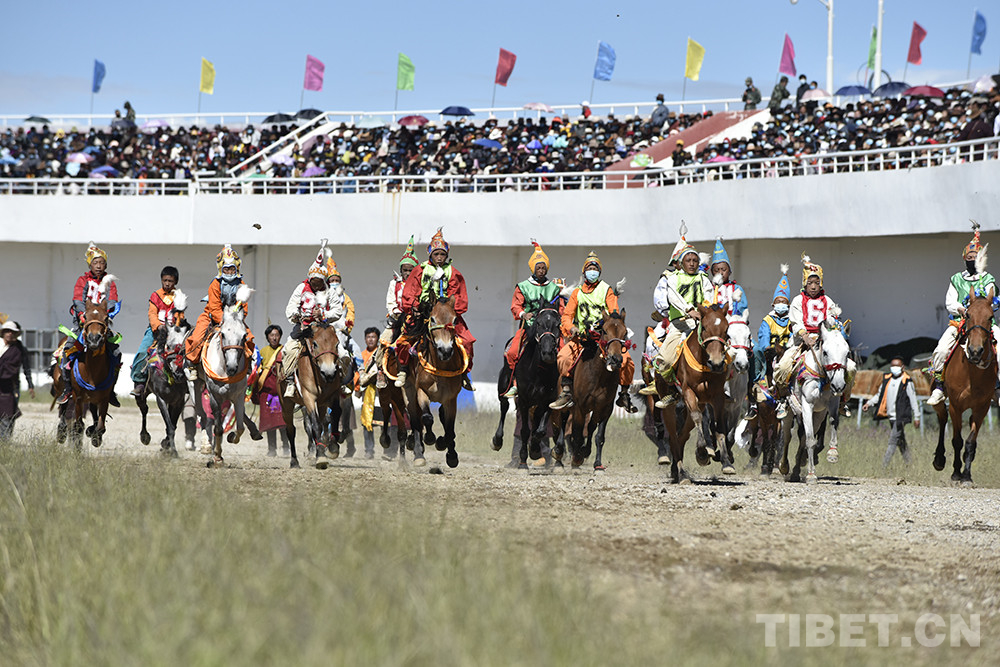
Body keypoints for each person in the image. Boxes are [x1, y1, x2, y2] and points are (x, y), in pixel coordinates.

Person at [549, 251, 636, 412]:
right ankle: (566, 391)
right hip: (582, 338)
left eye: (595, 269)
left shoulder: (606, 290)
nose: (592, 271)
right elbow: (567, 316)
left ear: (599, 272)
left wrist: (605, 324)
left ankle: (624, 394)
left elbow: (614, 313)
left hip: (604, 338)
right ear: (584, 272)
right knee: (563, 357)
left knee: (627, 361)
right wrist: (572, 328)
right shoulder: (577, 293)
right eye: (589, 268)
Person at [394, 228, 476, 391]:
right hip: (423, 312)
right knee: (403, 340)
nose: (439, 257)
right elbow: (410, 292)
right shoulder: (420, 270)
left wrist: (450, 309)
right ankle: (403, 370)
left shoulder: (454, 273)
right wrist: (415, 307)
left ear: (447, 255)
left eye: (442, 254)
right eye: (436, 254)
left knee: (467, 341)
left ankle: (464, 374)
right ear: (430, 254)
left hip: (447, 315)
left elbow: (460, 297)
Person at [927, 224, 997, 405]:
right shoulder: (956, 279)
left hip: (984, 323)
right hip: (960, 322)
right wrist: (962, 310)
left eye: (975, 257)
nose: (972, 260)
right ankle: (939, 386)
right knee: (941, 349)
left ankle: (997, 386)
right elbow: (950, 302)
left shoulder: (988, 279)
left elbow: (993, 301)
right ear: (964, 258)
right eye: (969, 257)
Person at [642, 238, 713, 408]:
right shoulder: (672, 278)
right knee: (664, 359)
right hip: (678, 324)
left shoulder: (703, 279)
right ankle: (670, 390)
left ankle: (719, 387)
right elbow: (673, 297)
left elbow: (709, 297)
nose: (692, 263)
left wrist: (704, 311)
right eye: (688, 260)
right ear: (680, 262)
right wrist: (689, 310)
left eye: (695, 260)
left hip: (699, 325)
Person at [773, 253, 842, 417]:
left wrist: (832, 329)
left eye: (817, 283)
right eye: (810, 283)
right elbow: (796, 322)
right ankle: (783, 399)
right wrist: (805, 336)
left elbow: (832, 320)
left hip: (823, 342)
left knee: (849, 367)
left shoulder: (828, 301)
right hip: (801, 343)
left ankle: (842, 400)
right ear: (804, 283)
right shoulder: (797, 300)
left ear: (821, 283)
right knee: (783, 367)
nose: (813, 286)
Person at [280, 240, 348, 397]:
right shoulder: (301, 288)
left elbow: (337, 311)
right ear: (309, 279)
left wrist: (323, 315)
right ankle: (290, 382)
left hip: (324, 330)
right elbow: (290, 308)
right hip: (303, 328)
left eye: (319, 283)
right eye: (314, 282)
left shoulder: (330, 291)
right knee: (288, 350)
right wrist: (297, 316)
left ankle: (342, 382)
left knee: (343, 354)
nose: (316, 286)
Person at [57, 242, 121, 406]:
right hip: (83, 322)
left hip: (102, 324)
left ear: (106, 265)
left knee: (116, 353)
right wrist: (82, 316)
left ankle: (110, 390)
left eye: (102, 263)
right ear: (90, 265)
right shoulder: (83, 280)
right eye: (95, 263)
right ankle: (68, 389)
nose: (99, 266)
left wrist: (106, 313)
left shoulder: (110, 282)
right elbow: (78, 299)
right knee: (67, 349)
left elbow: (112, 300)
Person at [502, 240, 565, 398]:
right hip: (529, 327)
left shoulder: (554, 288)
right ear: (533, 268)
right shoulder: (523, 286)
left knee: (564, 352)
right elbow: (516, 306)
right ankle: (515, 384)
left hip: (550, 329)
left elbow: (561, 308)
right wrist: (523, 314)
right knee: (512, 352)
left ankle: (564, 387)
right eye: (538, 268)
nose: (541, 270)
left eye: (544, 268)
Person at [184, 244, 255, 377]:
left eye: (232, 269)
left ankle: (248, 363)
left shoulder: (242, 285)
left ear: (237, 268)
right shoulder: (215, 284)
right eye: (226, 269)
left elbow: (244, 308)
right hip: (212, 316)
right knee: (197, 337)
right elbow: (214, 306)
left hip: (235, 320)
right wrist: (223, 320)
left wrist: (237, 319)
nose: (229, 272)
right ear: (221, 269)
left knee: (249, 338)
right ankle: (193, 364)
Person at [361, 236, 418, 389]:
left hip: (415, 321)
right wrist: (396, 312)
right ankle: (379, 370)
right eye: (405, 270)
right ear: (401, 270)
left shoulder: (419, 284)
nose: (407, 273)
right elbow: (390, 302)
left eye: (410, 270)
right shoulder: (394, 284)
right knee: (384, 341)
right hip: (397, 320)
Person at [747, 265, 791, 419]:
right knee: (756, 357)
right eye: (778, 301)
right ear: (773, 304)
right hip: (770, 353)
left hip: (786, 353)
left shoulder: (791, 320)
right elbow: (764, 335)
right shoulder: (768, 320)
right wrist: (768, 348)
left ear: (788, 305)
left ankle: (787, 398)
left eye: (783, 302)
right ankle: (753, 398)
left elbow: (793, 336)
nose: (781, 304)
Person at [130, 266, 180, 397]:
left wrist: (175, 327)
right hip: (155, 331)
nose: (167, 283)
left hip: (173, 332)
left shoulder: (179, 296)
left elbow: (180, 315)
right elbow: (152, 314)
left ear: (175, 282)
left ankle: (185, 382)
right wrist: (158, 326)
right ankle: (139, 382)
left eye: (170, 281)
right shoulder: (156, 295)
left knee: (184, 352)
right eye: (165, 280)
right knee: (142, 352)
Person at [863, 357, 920, 467]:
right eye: (892, 366)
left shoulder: (907, 381)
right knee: (900, 440)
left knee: (893, 440)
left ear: (902, 367)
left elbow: (913, 399)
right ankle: (910, 464)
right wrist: (869, 403)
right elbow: (879, 395)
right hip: (891, 416)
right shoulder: (887, 379)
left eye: (897, 366)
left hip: (901, 417)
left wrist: (917, 416)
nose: (894, 368)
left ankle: (883, 466)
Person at [254, 324, 288, 456]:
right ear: (267, 337)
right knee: (270, 423)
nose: (274, 338)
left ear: (280, 336)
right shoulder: (262, 352)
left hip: (281, 392)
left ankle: (286, 447)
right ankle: (272, 449)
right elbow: (257, 370)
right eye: (271, 335)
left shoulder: (285, 350)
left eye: (277, 335)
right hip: (267, 393)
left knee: (283, 422)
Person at [706, 238, 749, 325]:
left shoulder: (736, 288)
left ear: (729, 271)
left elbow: (742, 309)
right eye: (716, 270)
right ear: (712, 272)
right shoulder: (708, 287)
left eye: (723, 269)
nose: (720, 273)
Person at [356, 326, 382, 458]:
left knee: (385, 422)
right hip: (367, 393)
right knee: (367, 423)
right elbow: (357, 374)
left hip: (381, 392)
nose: (371, 339)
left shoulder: (382, 354)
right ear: (365, 339)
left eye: (373, 337)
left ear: (378, 339)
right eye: (368, 337)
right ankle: (369, 450)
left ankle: (388, 450)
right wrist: (357, 388)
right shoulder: (361, 355)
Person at [0, 321, 24, 440]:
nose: (9, 334)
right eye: (7, 331)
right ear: (3, 333)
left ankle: (4, 442)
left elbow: (13, 368)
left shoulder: (17, 349)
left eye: (12, 332)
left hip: (8, 385)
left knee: (7, 414)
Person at [957, 96, 994, 161]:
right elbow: (991, 136)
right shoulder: (984, 126)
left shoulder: (969, 125)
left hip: (970, 155)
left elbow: (961, 139)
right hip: (981, 154)